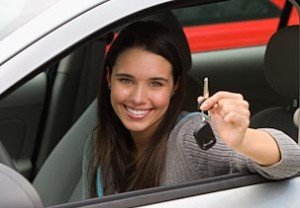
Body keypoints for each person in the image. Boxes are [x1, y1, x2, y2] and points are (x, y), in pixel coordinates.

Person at [82, 19, 300, 198]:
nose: (138, 98)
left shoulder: (190, 137)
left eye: (156, 83)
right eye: (126, 80)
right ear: (109, 77)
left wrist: (243, 139)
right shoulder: (97, 144)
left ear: (175, 86)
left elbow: (291, 162)